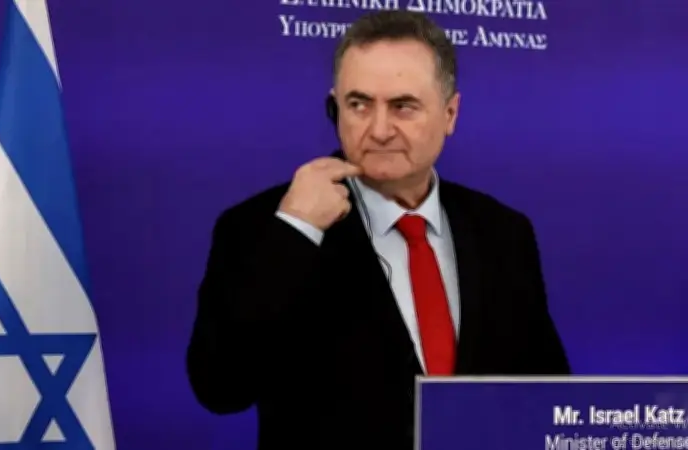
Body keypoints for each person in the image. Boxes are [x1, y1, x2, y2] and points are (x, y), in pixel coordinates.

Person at [186, 9, 569, 449]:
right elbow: (219, 387)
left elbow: (546, 395)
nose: (379, 130)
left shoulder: (503, 232)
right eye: (359, 105)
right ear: (335, 108)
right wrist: (296, 231)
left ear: (450, 113)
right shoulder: (261, 226)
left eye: (403, 106)